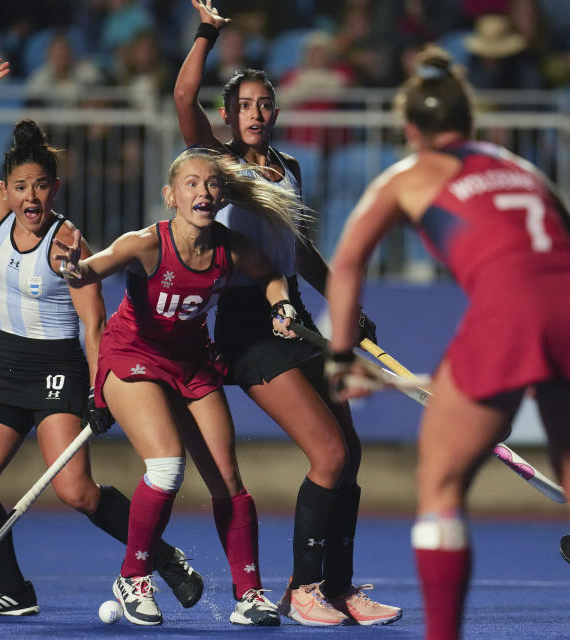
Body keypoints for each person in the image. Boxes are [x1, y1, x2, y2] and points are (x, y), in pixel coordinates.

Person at [323, 45, 570, 640]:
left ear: (411, 129)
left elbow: (348, 262)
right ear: (471, 122)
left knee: (439, 481)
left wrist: (337, 357)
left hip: (508, 311)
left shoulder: (408, 174)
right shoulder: (518, 166)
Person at [0, 57, 201, 616]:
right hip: (7, 366)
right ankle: (11, 588)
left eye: (40, 186)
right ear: (5, 190)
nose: (30, 198)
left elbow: (94, 325)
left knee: (75, 492)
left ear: (54, 188)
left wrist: (97, 391)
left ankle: (162, 556)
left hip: (61, 369)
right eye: (19, 187)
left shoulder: (70, 244)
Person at [172, 0, 400, 627]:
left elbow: (298, 252)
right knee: (327, 454)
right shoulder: (219, 165)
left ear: (276, 111)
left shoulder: (290, 168)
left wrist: (346, 307)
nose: (255, 114)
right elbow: (183, 92)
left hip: (293, 313)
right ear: (228, 116)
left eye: (263, 105)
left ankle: (340, 587)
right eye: (243, 106)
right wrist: (207, 33)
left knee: (348, 452)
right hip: (249, 329)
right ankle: (301, 591)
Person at [54, 146, 302, 626]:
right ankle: (134, 578)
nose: (203, 192)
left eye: (211, 184)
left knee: (228, 480)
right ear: (171, 195)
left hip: (191, 362)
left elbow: (271, 276)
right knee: (167, 466)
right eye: (191, 183)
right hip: (132, 357)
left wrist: (281, 305)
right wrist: (72, 268)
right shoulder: (145, 243)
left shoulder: (231, 248)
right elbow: (92, 267)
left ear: (222, 195)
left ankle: (249, 596)